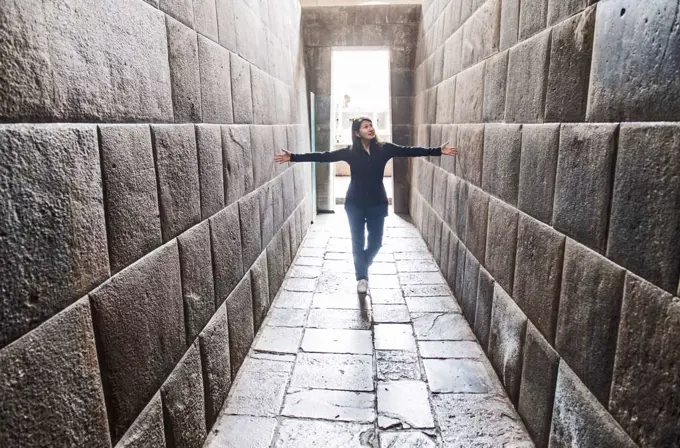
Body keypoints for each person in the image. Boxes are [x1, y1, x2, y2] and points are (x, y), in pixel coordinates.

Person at [275, 117, 456, 294]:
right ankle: (362, 277)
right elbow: (325, 157)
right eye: (365, 127)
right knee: (358, 241)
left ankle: (362, 263)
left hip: (378, 203)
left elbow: (410, 150)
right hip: (355, 203)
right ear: (357, 133)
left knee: (376, 243)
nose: (370, 129)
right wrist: (293, 157)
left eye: (371, 126)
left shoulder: (384, 149)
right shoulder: (350, 152)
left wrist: (438, 151)